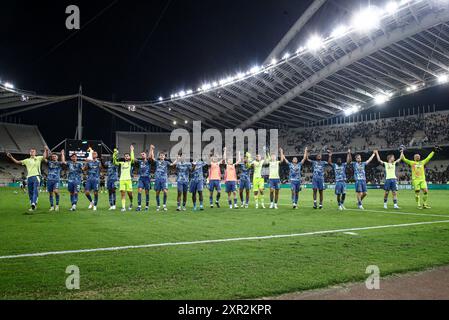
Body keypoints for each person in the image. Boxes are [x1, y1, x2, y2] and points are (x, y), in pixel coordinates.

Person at [7, 146, 49, 211]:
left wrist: (46, 150)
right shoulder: (26, 160)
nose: (32, 152)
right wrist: (11, 157)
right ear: (29, 153)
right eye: (31, 151)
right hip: (29, 178)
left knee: (35, 190)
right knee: (30, 192)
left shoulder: (38, 158)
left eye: (33, 151)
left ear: (35, 153)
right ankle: (33, 205)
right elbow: (17, 162)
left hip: (36, 177)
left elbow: (45, 157)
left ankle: (33, 203)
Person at [113, 145, 135, 212]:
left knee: (130, 193)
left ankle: (131, 202)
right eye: (125, 156)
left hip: (128, 180)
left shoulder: (130, 163)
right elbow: (114, 162)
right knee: (122, 193)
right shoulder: (121, 163)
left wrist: (131, 150)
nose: (126, 157)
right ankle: (123, 207)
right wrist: (115, 154)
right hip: (122, 180)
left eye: (127, 156)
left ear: (129, 157)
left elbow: (133, 159)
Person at [150, 147, 171, 212]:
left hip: (164, 179)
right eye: (161, 155)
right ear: (159, 156)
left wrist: (177, 159)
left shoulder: (166, 162)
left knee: (165, 192)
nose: (162, 156)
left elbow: (172, 164)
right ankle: (158, 205)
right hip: (157, 179)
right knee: (157, 193)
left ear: (164, 157)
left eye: (163, 155)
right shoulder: (157, 161)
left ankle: (164, 205)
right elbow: (153, 157)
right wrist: (152, 150)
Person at [136, 147, 152, 212]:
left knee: (146, 192)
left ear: (146, 155)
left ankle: (146, 206)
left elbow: (150, 156)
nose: (142, 155)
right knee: (139, 191)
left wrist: (151, 149)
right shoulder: (140, 162)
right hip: (141, 178)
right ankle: (139, 206)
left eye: (143, 154)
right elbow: (133, 159)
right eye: (141, 154)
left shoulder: (149, 161)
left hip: (147, 178)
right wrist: (131, 151)